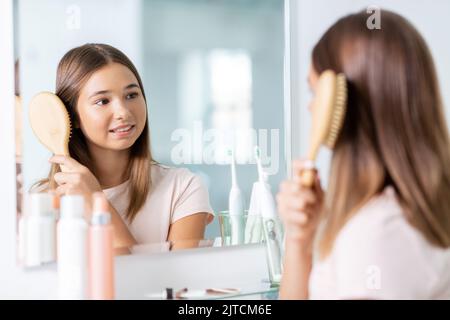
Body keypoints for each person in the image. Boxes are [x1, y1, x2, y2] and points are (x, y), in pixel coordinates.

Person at [277, 10, 450, 299]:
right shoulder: (393, 217)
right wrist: (300, 240)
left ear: (339, 102)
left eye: (314, 92)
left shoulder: (378, 233)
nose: (311, 108)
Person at [36, 44, 214, 252]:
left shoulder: (183, 188)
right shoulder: (45, 203)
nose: (123, 112)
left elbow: (178, 284)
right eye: (103, 101)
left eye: (131, 95)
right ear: (71, 116)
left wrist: (97, 202)